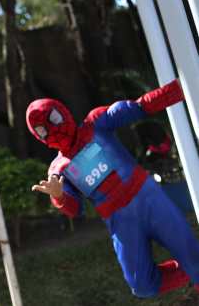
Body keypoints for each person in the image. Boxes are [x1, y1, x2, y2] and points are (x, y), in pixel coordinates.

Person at [26, 79, 199, 298]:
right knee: (143, 285)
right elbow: (74, 209)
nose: (52, 129)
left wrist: (181, 87)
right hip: (120, 220)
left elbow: (138, 107)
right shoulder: (58, 170)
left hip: (146, 198)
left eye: (53, 119)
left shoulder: (96, 123)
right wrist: (59, 196)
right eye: (43, 130)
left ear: (63, 112)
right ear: (39, 138)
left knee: (193, 259)